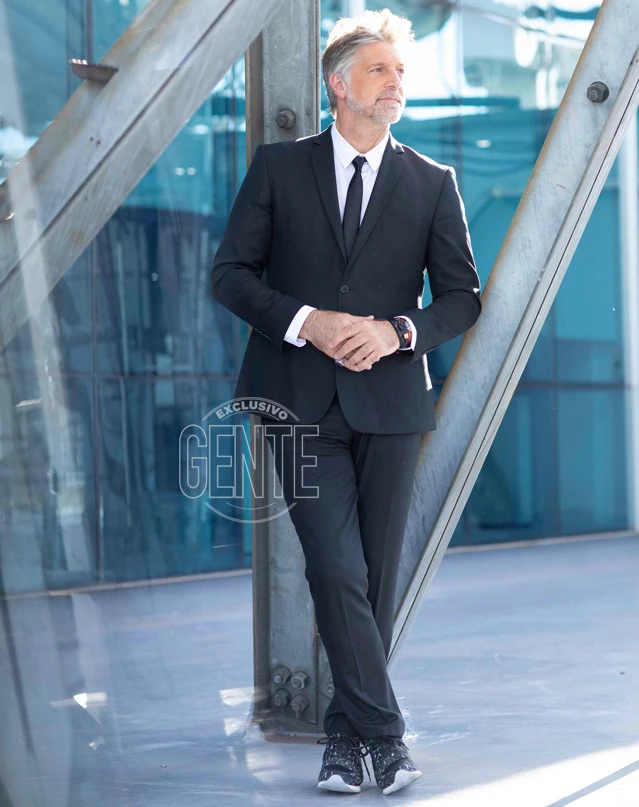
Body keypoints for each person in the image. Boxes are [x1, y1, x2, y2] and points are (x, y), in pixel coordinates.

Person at [210, 7, 482, 796]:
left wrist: (398, 331)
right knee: (334, 565)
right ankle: (386, 739)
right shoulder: (278, 168)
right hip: (296, 402)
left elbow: (461, 298)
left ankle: (342, 738)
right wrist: (309, 321)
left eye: (400, 72)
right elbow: (230, 276)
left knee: (371, 581)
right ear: (338, 83)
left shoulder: (431, 182)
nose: (395, 83)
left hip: (390, 404)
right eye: (378, 70)